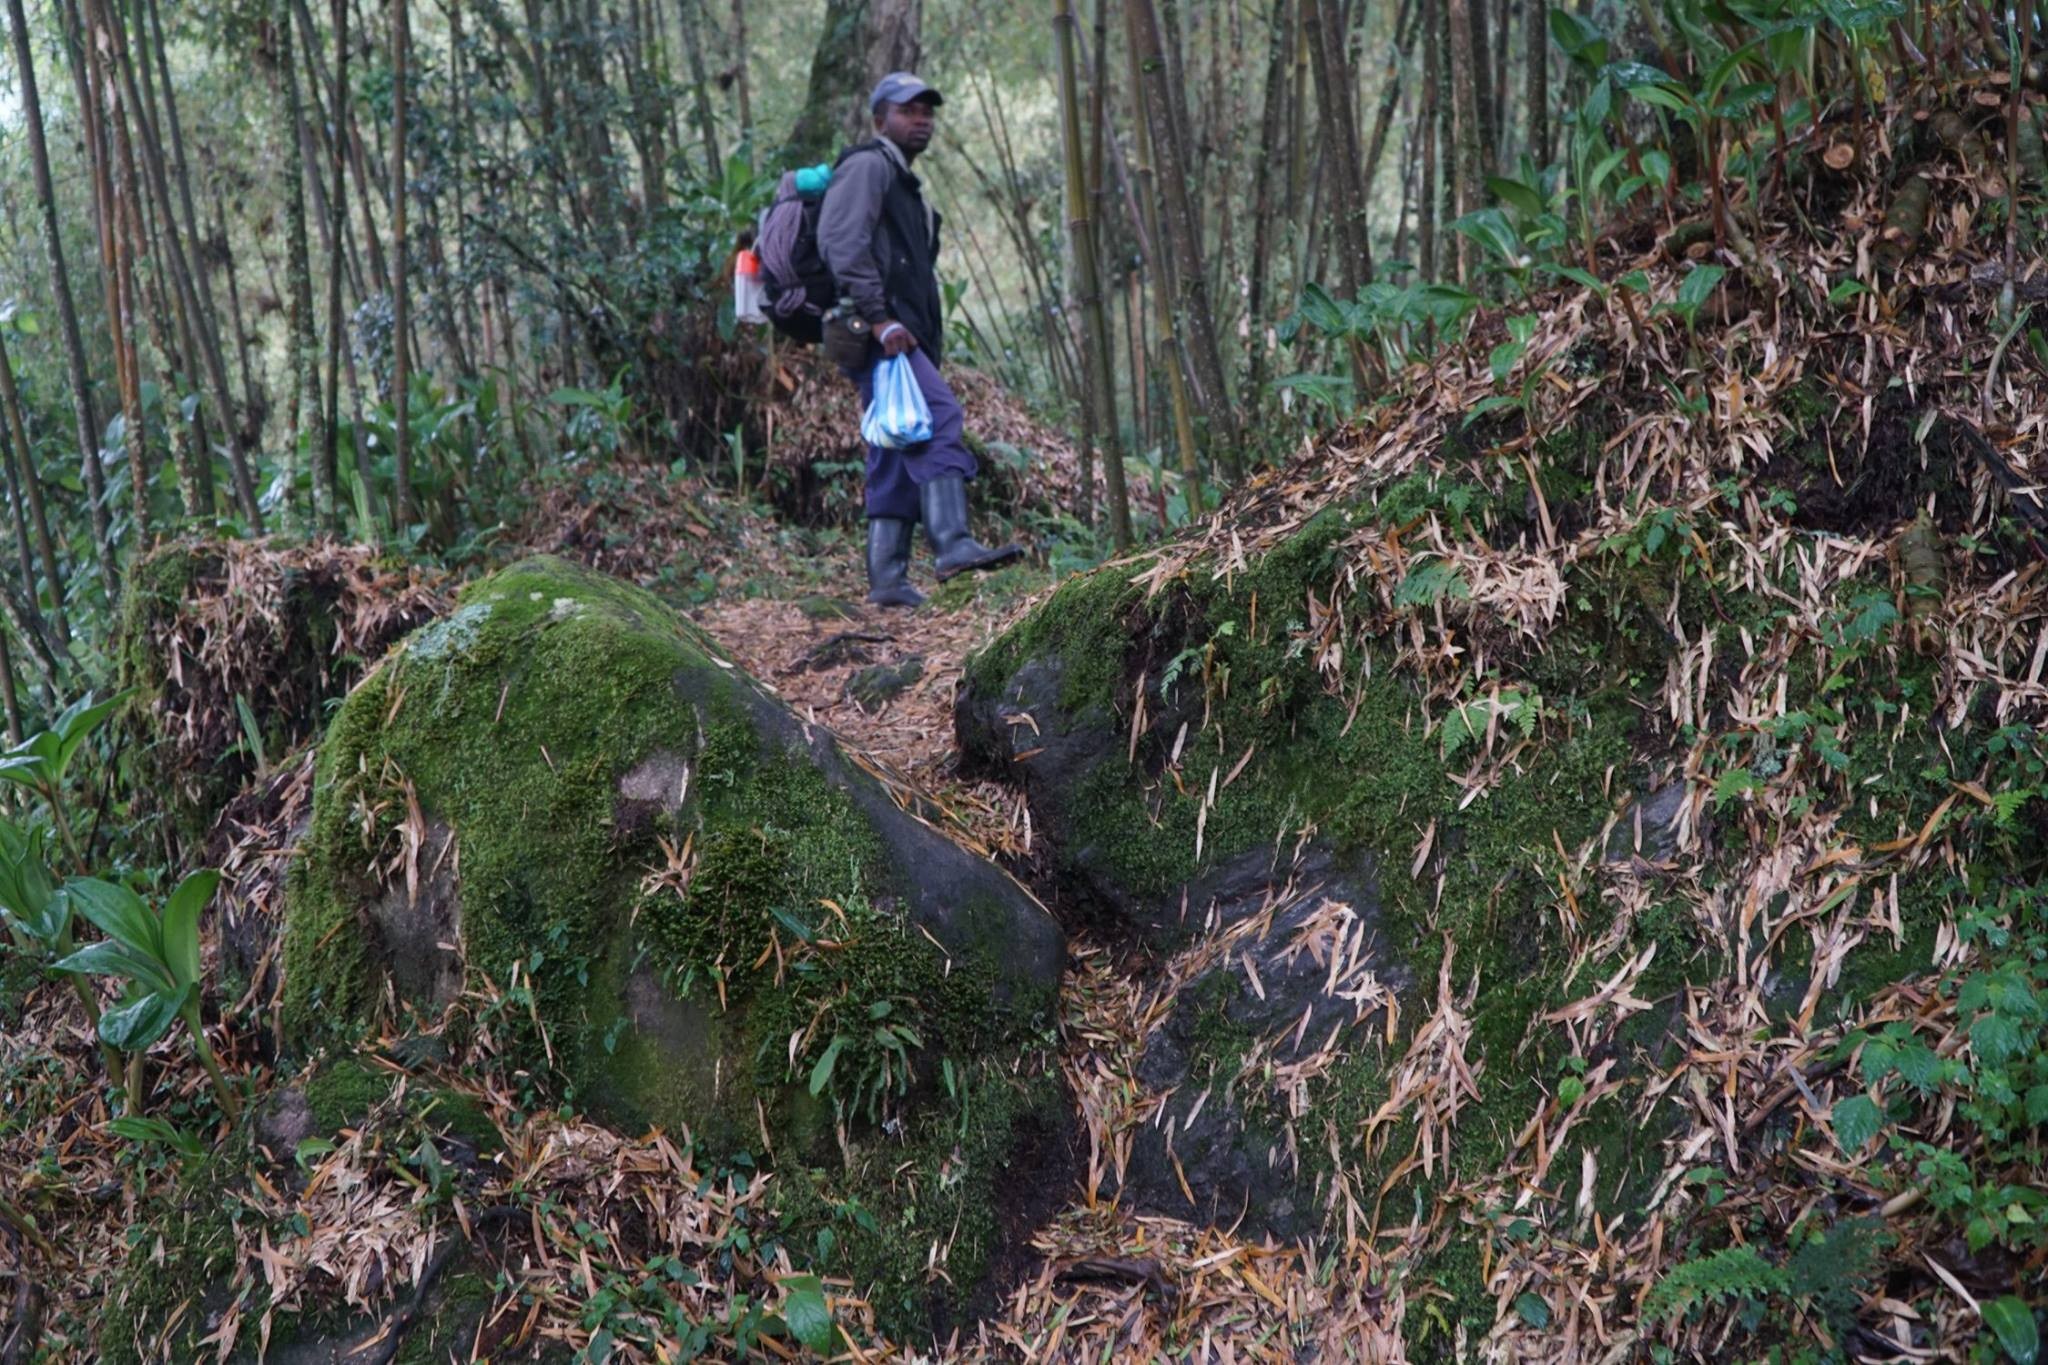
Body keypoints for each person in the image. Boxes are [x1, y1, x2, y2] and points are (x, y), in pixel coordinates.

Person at [818, 71, 1022, 609]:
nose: (922, 119)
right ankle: (952, 543)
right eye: (909, 110)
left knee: (894, 442)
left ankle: (887, 580)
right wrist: (880, 318)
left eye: (927, 111)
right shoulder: (868, 166)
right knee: (938, 417)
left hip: (894, 335)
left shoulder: (902, 181)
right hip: (877, 332)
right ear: (879, 118)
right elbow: (841, 241)